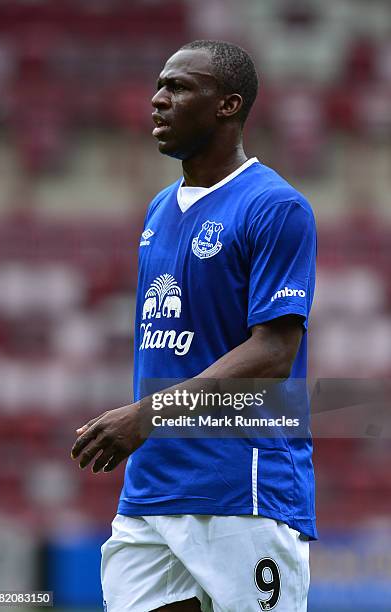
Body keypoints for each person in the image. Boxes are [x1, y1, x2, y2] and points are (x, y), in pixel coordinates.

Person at [71, 40, 317, 612]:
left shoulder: (275, 206)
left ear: (228, 105)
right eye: (159, 85)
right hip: (151, 493)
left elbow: (274, 353)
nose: (157, 99)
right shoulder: (160, 210)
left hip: (241, 491)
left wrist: (145, 416)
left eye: (178, 87)